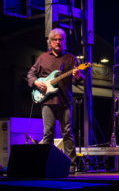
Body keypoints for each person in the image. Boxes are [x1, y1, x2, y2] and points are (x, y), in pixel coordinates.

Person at [27, 28, 85, 174]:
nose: (58, 42)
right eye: (55, 40)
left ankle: (71, 165)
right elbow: (31, 74)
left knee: (67, 132)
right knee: (48, 133)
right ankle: (44, 164)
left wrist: (77, 75)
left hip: (64, 99)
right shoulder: (42, 58)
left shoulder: (71, 58)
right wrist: (35, 83)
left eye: (61, 39)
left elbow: (79, 80)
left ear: (64, 41)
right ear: (50, 42)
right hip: (47, 100)